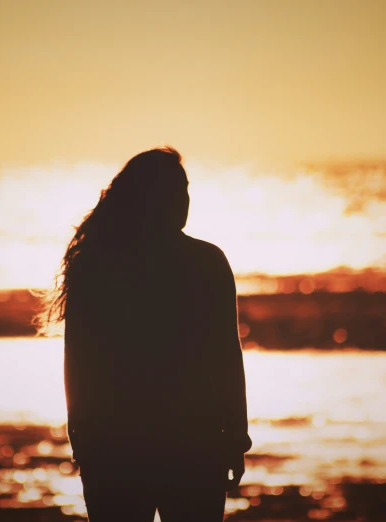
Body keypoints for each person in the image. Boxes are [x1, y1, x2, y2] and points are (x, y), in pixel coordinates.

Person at [50, 147, 251, 522]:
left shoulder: (96, 263)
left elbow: (78, 359)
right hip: (188, 441)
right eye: (177, 190)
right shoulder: (205, 261)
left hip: (121, 443)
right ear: (153, 199)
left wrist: (80, 431)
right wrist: (236, 436)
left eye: (186, 189)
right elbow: (226, 356)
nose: (186, 200)